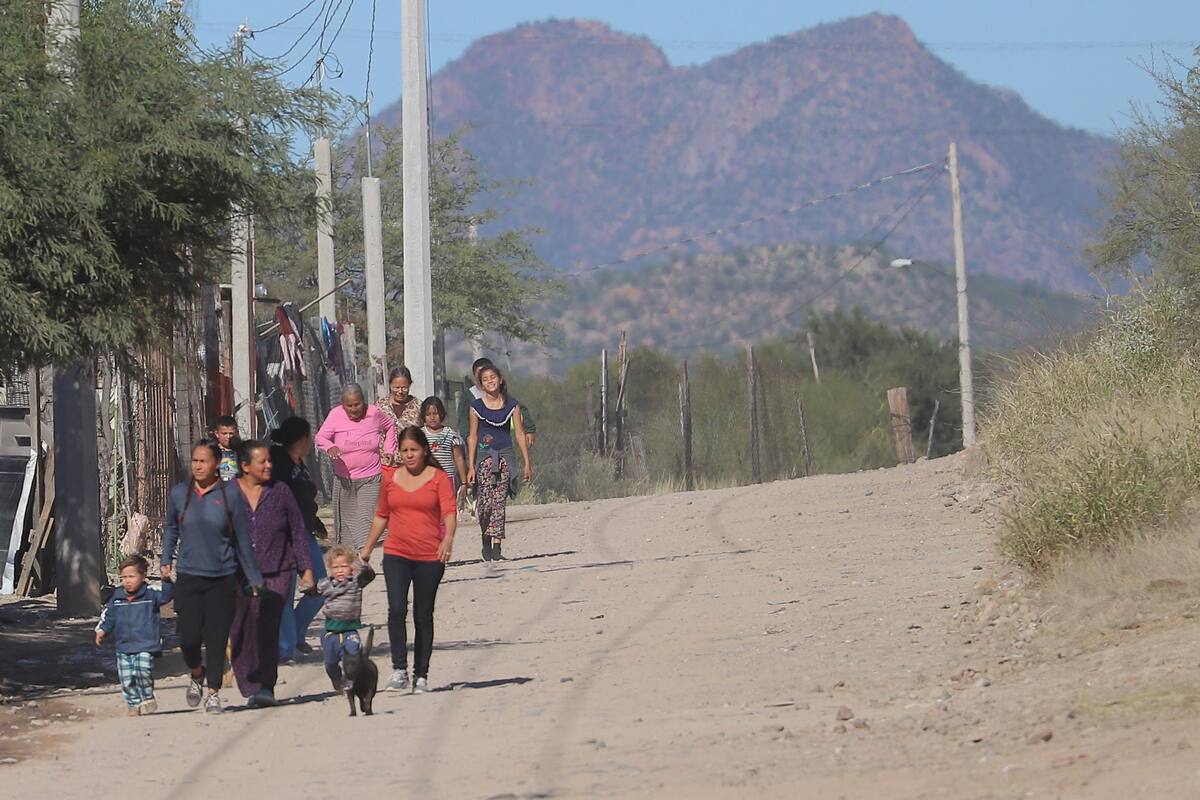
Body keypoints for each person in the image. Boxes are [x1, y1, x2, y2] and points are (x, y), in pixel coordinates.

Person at [161, 440, 264, 715]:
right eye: (195, 460)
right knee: (189, 638)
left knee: (217, 639)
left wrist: (254, 577)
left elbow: (242, 539)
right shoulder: (180, 494)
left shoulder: (230, 496)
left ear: (217, 463)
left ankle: (213, 693)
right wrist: (165, 559)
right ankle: (197, 673)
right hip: (189, 576)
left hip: (222, 578)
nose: (197, 466)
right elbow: (171, 528)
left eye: (203, 461)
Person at [360, 426, 457, 694]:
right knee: (396, 609)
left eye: (414, 450)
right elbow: (382, 515)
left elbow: (449, 512)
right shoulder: (390, 479)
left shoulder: (438, 478)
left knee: (423, 615)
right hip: (396, 554)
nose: (409, 455)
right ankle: (399, 670)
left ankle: (421, 674)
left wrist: (448, 538)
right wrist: (367, 548)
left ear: (424, 450)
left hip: (430, 556)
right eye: (404, 451)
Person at [229, 440, 314, 708]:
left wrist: (306, 569)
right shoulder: (228, 493)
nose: (268, 465)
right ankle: (249, 683)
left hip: (278, 570)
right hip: (238, 573)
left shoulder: (280, 492)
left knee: (267, 626)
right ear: (245, 466)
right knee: (241, 628)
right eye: (262, 461)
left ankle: (265, 686)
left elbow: (297, 531)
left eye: (269, 461)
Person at [271, 416, 328, 659]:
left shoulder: (299, 464)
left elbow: (304, 501)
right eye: (309, 437)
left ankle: (295, 634)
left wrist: (316, 522)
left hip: (305, 534)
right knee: (285, 592)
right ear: (301, 439)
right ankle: (284, 648)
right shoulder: (277, 465)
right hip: (283, 536)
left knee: (321, 586)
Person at [316, 383, 395, 549]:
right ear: (343, 405)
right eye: (349, 406)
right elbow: (320, 437)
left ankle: (362, 554)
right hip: (344, 481)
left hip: (371, 479)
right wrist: (330, 447)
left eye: (357, 404)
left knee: (365, 521)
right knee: (346, 529)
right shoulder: (335, 415)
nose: (353, 409)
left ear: (363, 401)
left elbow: (389, 426)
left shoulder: (374, 413)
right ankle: (353, 560)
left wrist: (389, 450)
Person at [467, 365, 533, 562]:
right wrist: (471, 466)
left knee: (499, 502)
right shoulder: (476, 407)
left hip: (505, 457)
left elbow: (519, 433)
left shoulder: (512, 405)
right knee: (486, 504)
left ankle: (496, 547)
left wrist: (527, 462)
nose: (490, 381)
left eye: (493, 377)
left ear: (500, 379)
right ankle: (485, 539)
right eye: (485, 379)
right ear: (481, 385)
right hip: (485, 459)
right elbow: (472, 436)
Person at [94, 555, 173, 717]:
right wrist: (102, 630)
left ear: (143, 576)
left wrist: (166, 580)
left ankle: (147, 695)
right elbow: (109, 616)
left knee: (143, 671)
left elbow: (166, 596)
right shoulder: (117, 597)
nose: (127, 581)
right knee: (126, 678)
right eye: (124, 577)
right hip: (123, 645)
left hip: (146, 644)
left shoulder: (150, 594)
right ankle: (133, 704)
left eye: (131, 576)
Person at [313, 545, 376, 692]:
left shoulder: (356, 582)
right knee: (330, 663)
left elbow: (370, 576)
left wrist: (363, 564)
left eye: (344, 566)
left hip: (350, 631)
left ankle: (351, 681)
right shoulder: (325, 584)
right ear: (330, 569)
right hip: (330, 633)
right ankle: (336, 679)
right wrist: (305, 586)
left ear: (351, 567)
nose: (340, 570)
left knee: (354, 656)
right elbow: (312, 591)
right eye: (335, 567)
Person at [421, 396, 467, 501]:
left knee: (447, 507)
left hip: (447, 478)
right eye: (428, 414)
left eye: (435, 413)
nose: (432, 417)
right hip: (426, 479)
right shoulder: (420, 434)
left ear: (442, 414)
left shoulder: (450, 434)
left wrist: (464, 482)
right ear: (423, 416)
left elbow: (459, 459)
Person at [379, 367, 422, 467]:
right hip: (385, 464)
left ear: (410, 385)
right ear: (390, 385)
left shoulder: (419, 406)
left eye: (404, 387)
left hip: (411, 464)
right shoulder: (380, 407)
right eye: (396, 387)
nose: (400, 391)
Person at [210, 415, 241, 481]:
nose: (228, 437)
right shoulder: (212, 452)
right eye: (224, 433)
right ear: (217, 434)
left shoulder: (240, 450)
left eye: (231, 433)